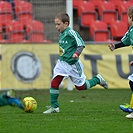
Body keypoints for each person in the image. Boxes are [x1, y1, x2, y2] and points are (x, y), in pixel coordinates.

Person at [43, 12, 108, 114]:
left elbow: (81, 44)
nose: (56, 27)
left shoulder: (71, 33)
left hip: (73, 65)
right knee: (54, 82)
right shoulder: (62, 33)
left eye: (58, 24)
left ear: (66, 24)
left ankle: (97, 79)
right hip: (62, 63)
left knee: (80, 87)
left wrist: (77, 53)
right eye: (55, 24)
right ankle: (54, 107)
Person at [108, 6, 133, 119]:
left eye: (128, 17)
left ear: (131, 17)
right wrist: (115, 46)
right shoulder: (131, 30)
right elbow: (126, 41)